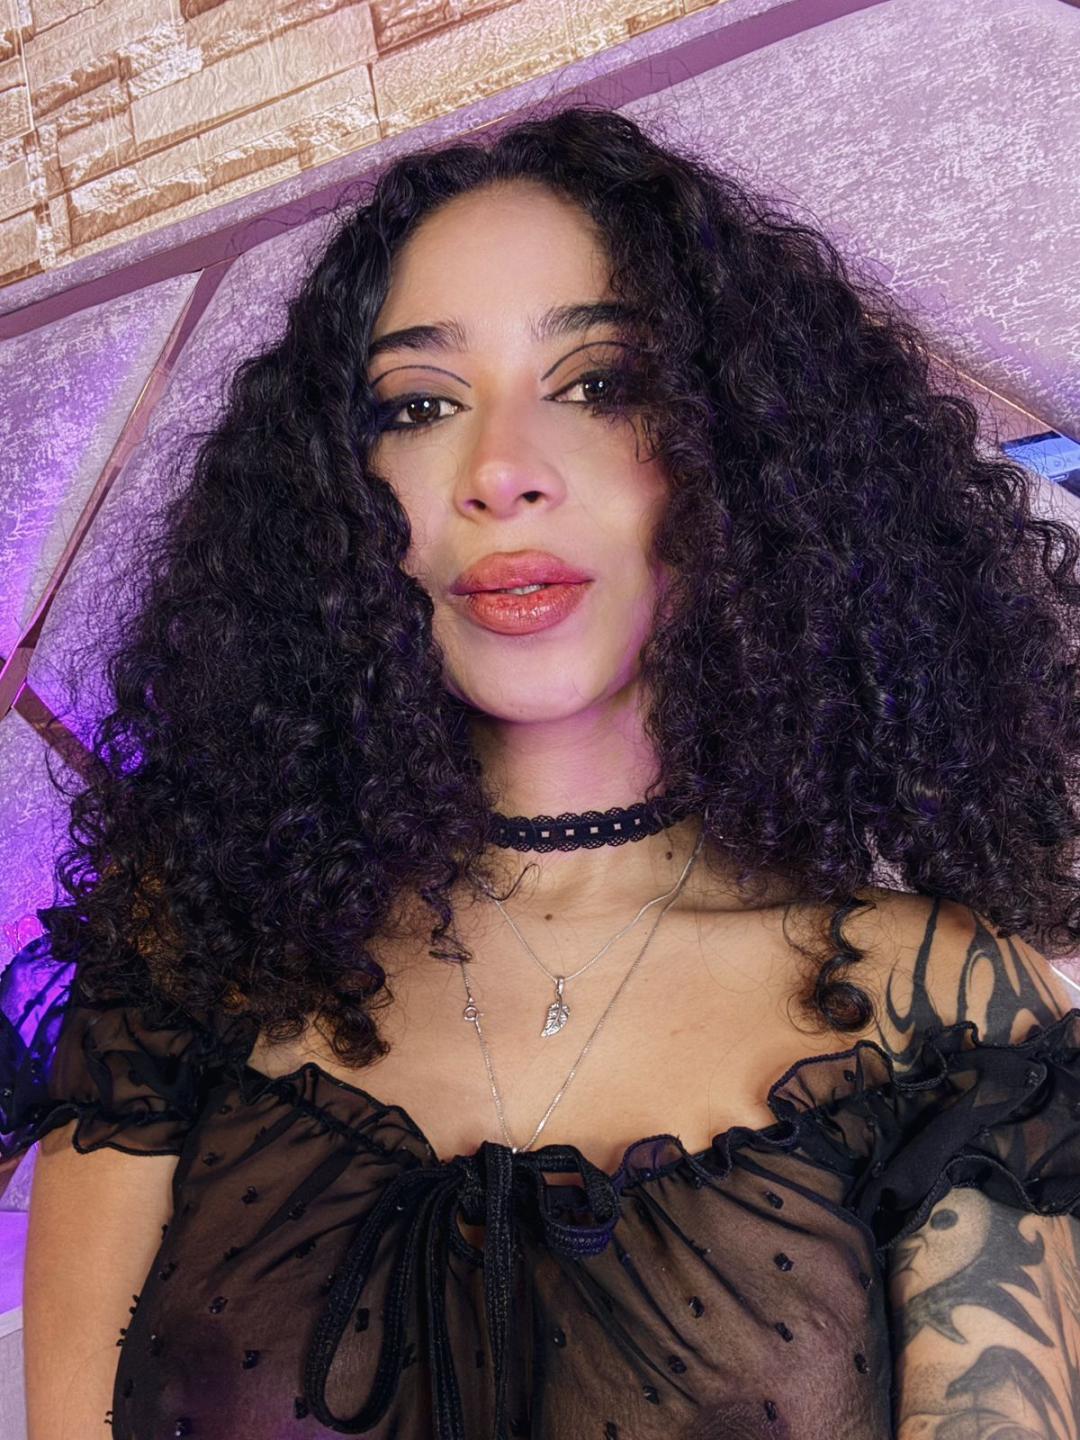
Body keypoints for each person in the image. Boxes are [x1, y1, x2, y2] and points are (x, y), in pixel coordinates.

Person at [3, 102, 1080, 1440]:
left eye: (601, 384)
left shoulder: (948, 1011)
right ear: (334, 492)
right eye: (419, 406)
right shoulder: (188, 974)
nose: (501, 471)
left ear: (745, 448)